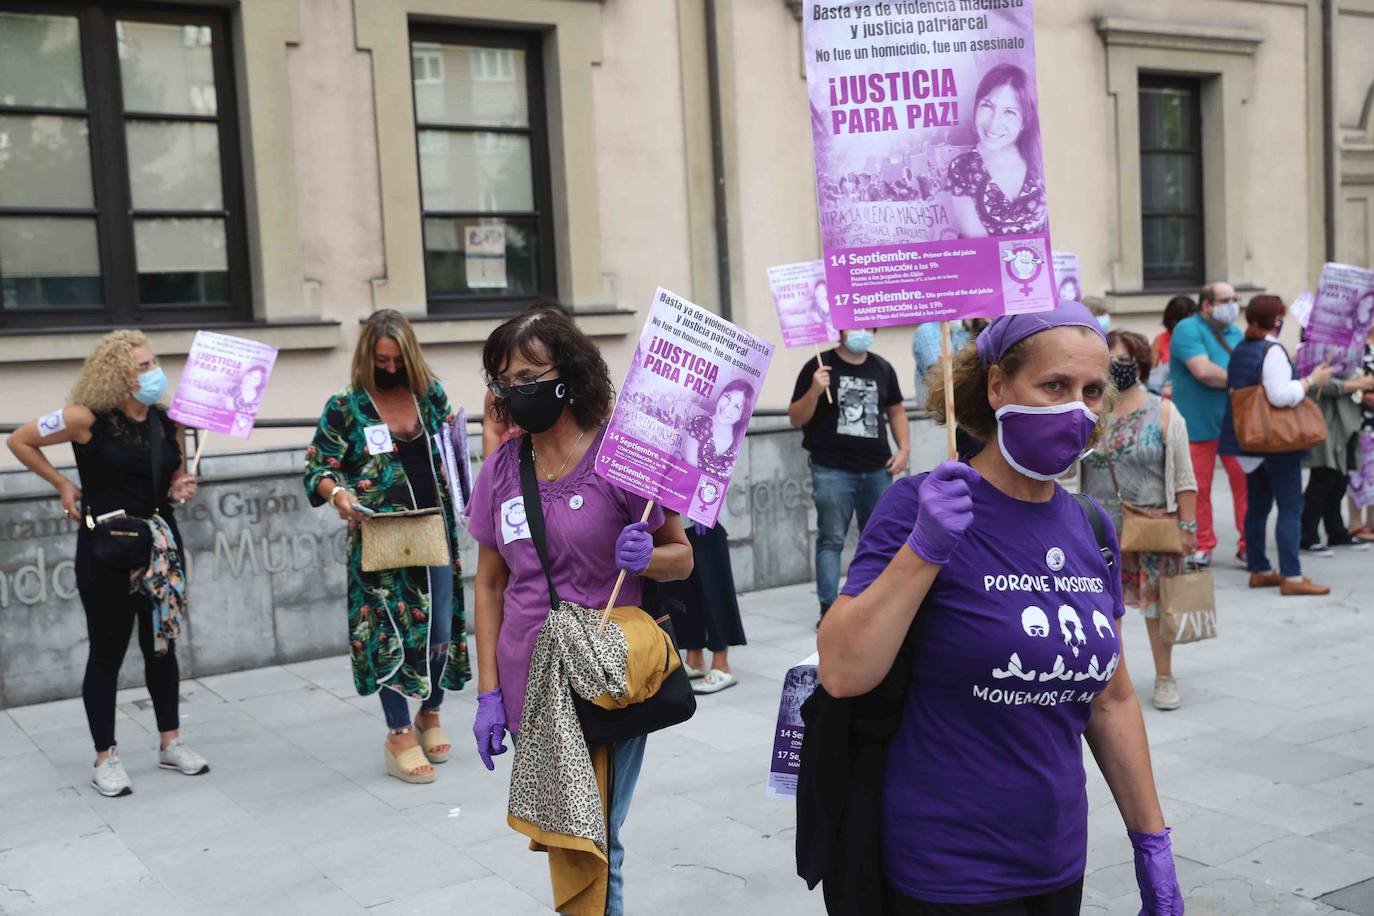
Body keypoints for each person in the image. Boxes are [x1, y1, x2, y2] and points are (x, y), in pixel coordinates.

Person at [817, 300, 1181, 914]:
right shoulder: (918, 507)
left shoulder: (1090, 525)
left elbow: (1110, 697)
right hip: (945, 870)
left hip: (1057, 860)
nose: (1076, 408)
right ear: (996, 386)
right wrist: (924, 549)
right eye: (1054, 385)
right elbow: (843, 669)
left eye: (1093, 391)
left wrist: (1152, 844)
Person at [467, 306, 693, 916]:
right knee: (568, 841)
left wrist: (648, 558)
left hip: (604, 676)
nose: (518, 391)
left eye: (530, 376)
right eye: (505, 380)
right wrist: (488, 690)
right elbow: (489, 585)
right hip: (526, 683)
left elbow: (683, 558)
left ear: (568, 375)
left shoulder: (624, 458)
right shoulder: (499, 472)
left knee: (598, 845)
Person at [7, 330, 206, 797]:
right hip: (108, 547)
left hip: (159, 544)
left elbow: (173, 475)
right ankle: (105, 758)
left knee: (162, 646)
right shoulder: (83, 417)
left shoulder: (165, 419)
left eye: (153, 363)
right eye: (142, 366)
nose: (154, 373)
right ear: (116, 374)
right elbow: (20, 440)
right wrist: (62, 484)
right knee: (107, 651)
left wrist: (180, 485)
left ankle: (169, 742)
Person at [303, 309, 469, 784]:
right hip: (378, 538)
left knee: (440, 629)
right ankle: (398, 733)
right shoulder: (346, 405)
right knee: (387, 632)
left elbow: (453, 456)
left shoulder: (429, 396)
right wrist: (338, 494)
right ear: (366, 356)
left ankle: (430, 713)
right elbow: (318, 467)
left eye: (398, 360)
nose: (391, 368)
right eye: (382, 360)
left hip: (433, 530)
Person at [1080, 331, 1198, 711]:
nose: (1117, 366)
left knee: (1157, 605)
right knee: (1100, 608)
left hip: (1153, 524)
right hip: (1099, 529)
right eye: (1110, 359)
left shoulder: (1163, 411)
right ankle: (1109, 677)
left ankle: (1165, 676)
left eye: (1125, 360)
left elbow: (1184, 476)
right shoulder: (1090, 411)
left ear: (1140, 365)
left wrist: (1188, 527)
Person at [789, 328, 909, 624]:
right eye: (855, 326)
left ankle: (874, 603)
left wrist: (904, 449)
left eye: (867, 327)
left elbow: (896, 411)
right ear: (839, 330)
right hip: (832, 471)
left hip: (877, 470)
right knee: (831, 539)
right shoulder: (818, 366)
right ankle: (829, 610)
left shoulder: (882, 367)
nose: (861, 332)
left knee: (879, 540)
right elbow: (796, 418)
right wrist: (815, 391)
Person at [1219, 295, 1333, 595]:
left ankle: (1260, 569)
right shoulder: (1273, 349)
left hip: (1248, 439)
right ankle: (1292, 577)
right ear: (1277, 320)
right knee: (1290, 506)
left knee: (1257, 507)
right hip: (1276, 441)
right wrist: (1311, 381)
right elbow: (1280, 395)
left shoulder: (1243, 348)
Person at [1168, 280, 1247, 566]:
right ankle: (1203, 544)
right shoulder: (1187, 329)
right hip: (1196, 425)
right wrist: (1243, 379)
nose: (1233, 305)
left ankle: (1247, 544)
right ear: (1206, 305)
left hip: (1234, 423)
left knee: (1244, 485)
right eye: (1227, 300)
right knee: (1197, 488)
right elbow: (1204, 372)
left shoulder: (1235, 331)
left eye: (1235, 298)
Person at [947, 63, 1047, 239]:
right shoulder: (961, 168)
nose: (993, 124)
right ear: (976, 107)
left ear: (1024, 121)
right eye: (987, 106)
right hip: (986, 265)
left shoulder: (1041, 160)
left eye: (1009, 112)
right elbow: (981, 250)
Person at [1300, 350, 1374, 554]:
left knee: (1338, 480)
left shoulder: (1346, 348)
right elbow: (1321, 384)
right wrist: (1358, 384)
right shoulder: (1316, 347)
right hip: (1327, 421)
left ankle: (1336, 532)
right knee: (1323, 478)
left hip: (1346, 422)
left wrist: (1359, 382)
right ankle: (1308, 535)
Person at [684, 378, 753, 479]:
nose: (727, 408)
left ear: (742, 416)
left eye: (737, 407)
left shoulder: (740, 444)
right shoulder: (699, 423)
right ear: (720, 395)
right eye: (727, 397)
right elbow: (690, 471)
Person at [1350, 324, 1374, 539]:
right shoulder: (1355, 347)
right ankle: (1356, 523)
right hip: (1360, 419)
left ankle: (1372, 524)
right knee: (1359, 471)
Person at [1148, 296, 1198, 395]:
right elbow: (1150, 374)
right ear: (1173, 322)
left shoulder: (1200, 339)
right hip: (1169, 397)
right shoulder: (1160, 340)